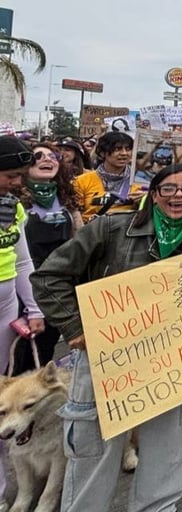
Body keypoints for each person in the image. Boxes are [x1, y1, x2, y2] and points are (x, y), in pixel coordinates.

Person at [32, 163, 182, 511]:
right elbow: (48, 278)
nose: (178, 196)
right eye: (169, 188)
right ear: (154, 194)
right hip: (108, 359)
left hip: (173, 361)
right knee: (94, 451)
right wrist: (76, 329)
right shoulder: (111, 228)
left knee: (167, 448)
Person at [0, 137, 45, 502]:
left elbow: (23, 261)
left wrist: (33, 308)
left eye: (20, 177)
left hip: (5, 312)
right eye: (12, 176)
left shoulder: (12, 209)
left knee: (4, 400)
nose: (18, 183)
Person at [11, 143, 82, 375]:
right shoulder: (12, 202)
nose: (48, 159)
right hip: (20, 288)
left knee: (43, 355)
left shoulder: (66, 200)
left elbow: (79, 243)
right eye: (38, 156)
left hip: (55, 288)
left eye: (53, 156)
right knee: (16, 356)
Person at [75, 131, 146, 223]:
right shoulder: (81, 181)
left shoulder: (141, 182)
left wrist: (144, 201)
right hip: (92, 233)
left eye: (128, 149)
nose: (124, 153)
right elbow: (75, 216)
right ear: (102, 153)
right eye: (117, 149)